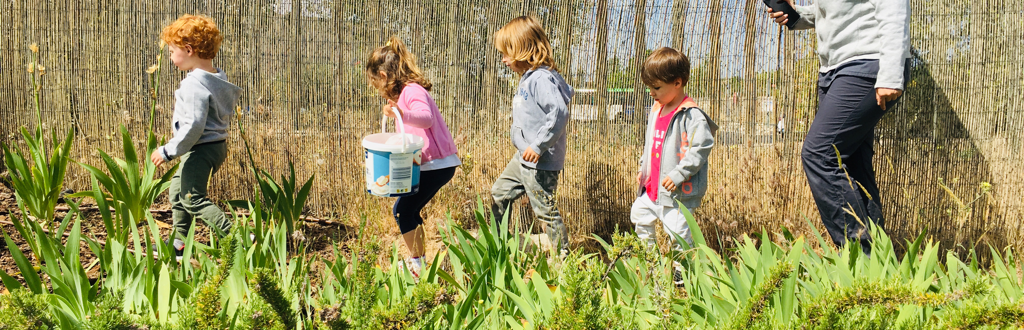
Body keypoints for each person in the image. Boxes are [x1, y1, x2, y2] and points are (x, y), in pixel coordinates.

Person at [769, 0, 911, 255]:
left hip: (867, 65)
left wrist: (891, 73)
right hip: (834, 71)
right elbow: (835, 11)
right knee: (853, 166)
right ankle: (881, 262)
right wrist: (797, 15)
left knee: (820, 154)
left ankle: (860, 259)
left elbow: (893, 8)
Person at [365, 36, 461, 278]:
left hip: (436, 164)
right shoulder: (405, 95)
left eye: (375, 83)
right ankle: (418, 261)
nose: (377, 88)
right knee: (407, 209)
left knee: (403, 210)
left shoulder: (412, 91)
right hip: (429, 164)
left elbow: (425, 117)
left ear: (384, 77)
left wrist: (401, 112)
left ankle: (418, 265)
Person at [150, 14, 242, 259]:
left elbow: (193, 126)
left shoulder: (194, 85)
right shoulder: (217, 79)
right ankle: (180, 242)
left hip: (200, 148)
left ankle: (237, 239)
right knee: (177, 191)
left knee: (192, 198)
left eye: (171, 51)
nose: (170, 57)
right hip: (213, 146)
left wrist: (168, 151)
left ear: (188, 49)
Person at [489, 16, 574, 255]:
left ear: (523, 50)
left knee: (545, 212)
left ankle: (564, 262)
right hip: (523, 158)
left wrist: (538, 146)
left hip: (540, 161)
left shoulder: (541, 78)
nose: (504, 60)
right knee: (499, 193)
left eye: (507, 53)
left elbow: (559, 112)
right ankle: (499, 249)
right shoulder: (529, 79)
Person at [631, 47, 717, 273]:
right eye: (649, 87)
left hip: (677, 193)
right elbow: (651, 143)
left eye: (657, 87)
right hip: (653, 189)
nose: (651, 92)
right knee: (639, 216)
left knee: (678, 233)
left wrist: (679, 174)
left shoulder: (691, 114)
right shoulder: (657, 109)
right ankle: (650, 262)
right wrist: (644, 168)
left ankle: (684, 275)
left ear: (678, 83)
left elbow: (701, 146)